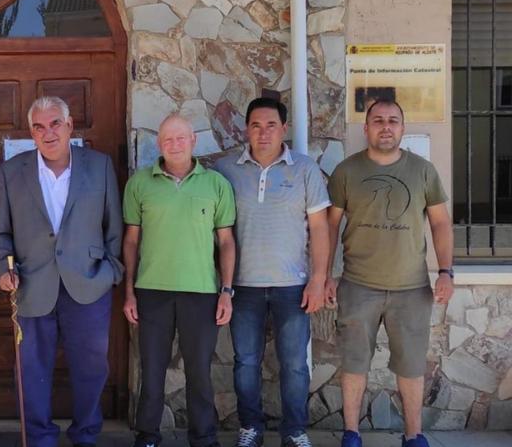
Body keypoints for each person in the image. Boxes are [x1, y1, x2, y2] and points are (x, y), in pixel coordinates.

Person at [0, 96, 124, 447]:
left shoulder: (99, 165)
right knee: (32, 372)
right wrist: (3, 270)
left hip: (89, 284)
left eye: (55, 124)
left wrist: (110, 271)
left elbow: (114, 228)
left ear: (69, 126)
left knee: (92, 370)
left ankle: (86, 436)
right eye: (39, 127)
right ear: (31, 132)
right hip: (32, 285)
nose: (48, 133)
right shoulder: (11, 172)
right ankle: (39, 439)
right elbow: (0, 233)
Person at [325, 100, 454, 447]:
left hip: (411, 290)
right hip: (357, 286)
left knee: (411, 367)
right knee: (354, 363)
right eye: (378, 120)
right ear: (365, 128)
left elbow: (441, 223)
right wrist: (326, 275)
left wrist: (446, 271)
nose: (386, 126)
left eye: (393, 121)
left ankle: (414, 436)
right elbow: (330, 227)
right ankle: (351, 434)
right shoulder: (346, 172)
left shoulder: (424, 171)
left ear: (402, 128)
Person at [214, 98, 331, 447]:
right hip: (242, 287)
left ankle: (295, 431)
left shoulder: (305, 169)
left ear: (284, 129)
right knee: (245, 363)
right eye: (255, 125)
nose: (263, 133)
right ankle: (251, 427)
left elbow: (320, 229)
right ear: (245, 129)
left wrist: (318, 278)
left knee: (295, 365)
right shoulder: (225, 170)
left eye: (270, 126)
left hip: (293, 287)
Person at [122, 114, 236, 447]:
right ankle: (147, 436)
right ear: (159, 144)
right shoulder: (140, 184)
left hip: (201, 293)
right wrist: (129, 291)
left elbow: (226, 242)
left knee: (199, 372)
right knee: (152, 371)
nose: (174, 145)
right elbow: (131, 240)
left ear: (192, 141)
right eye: (168, 139)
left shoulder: (216, 184)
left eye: (181, 138)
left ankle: (203, 438)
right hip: (151, 291)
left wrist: (226, 291)